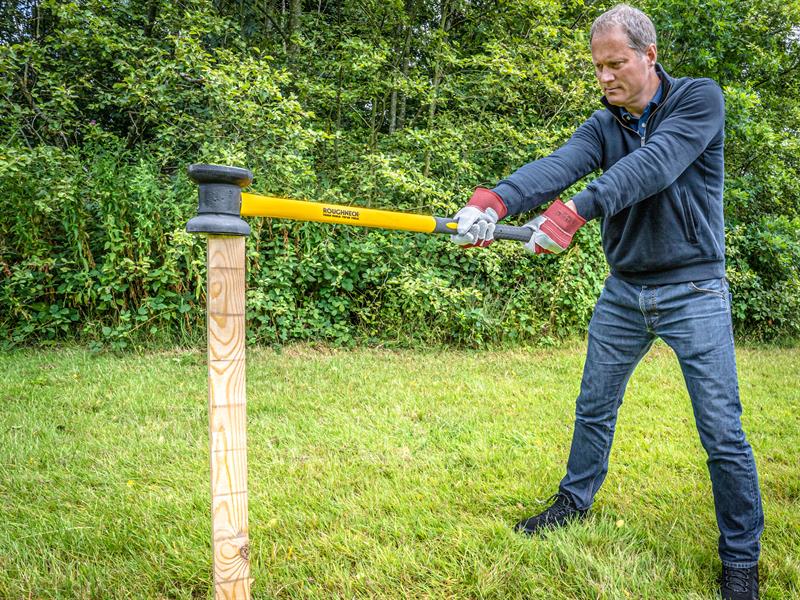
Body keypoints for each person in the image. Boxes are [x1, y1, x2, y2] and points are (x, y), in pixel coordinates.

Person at [450, 5, 764, 599]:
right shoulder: (604, 124)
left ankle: (741, 560)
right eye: (598, 67)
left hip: (693, 288)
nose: (606, 77)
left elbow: (655, 165)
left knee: (722, 431)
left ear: (650, 55)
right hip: (625, 290)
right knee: (593, 406)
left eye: (616, 63)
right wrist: (497, 200)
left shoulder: (699, 101)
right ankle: (574, 501)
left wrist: (575, 211)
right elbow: (560, 165)